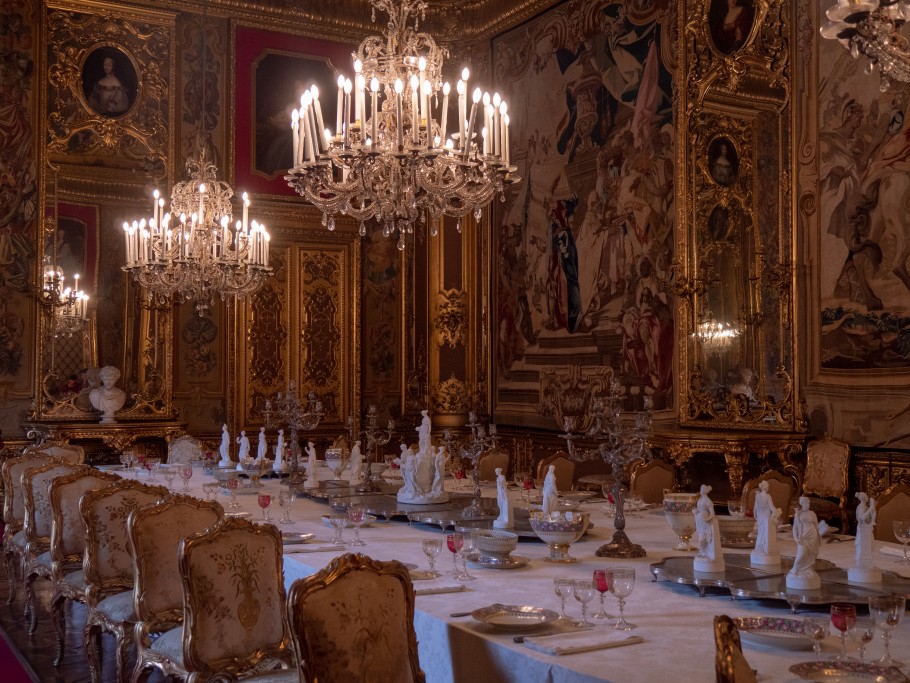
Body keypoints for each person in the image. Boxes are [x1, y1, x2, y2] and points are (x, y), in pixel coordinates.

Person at [790, 496, 821, 578]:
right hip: (803, 537)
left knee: (811, 555)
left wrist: (821, 532)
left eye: (808, 503)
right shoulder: (798, 514)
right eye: (806, 503)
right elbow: (795, 528)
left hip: (812, 536)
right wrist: (796, 539)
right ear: (802, 504)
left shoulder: (812, 513)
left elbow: (817, 526)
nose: (808, 505)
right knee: (801, 554)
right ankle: (795, 569)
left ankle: (809, 569)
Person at [694, 484, 717, 559]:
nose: (700, 491)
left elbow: (712, 513)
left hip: (704, 521)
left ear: (704, 491)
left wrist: (707, 519)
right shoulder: (700, 499)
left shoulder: (708, 501)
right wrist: (696, 512)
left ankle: (705, 552)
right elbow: (699, 509)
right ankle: (702, 552)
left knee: (702, 538)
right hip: (699, 520)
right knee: (699, 536)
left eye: (701, 490)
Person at [854, 492, 876, 569]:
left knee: (868, 546)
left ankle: (864, 564)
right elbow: (862, 517)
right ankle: (862, 564)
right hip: (863, 530)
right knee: (864, 547)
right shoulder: (862, 506)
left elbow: (871, 518)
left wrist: (873, 509)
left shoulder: (864, 506)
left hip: (866, 529)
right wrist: (871, 509)